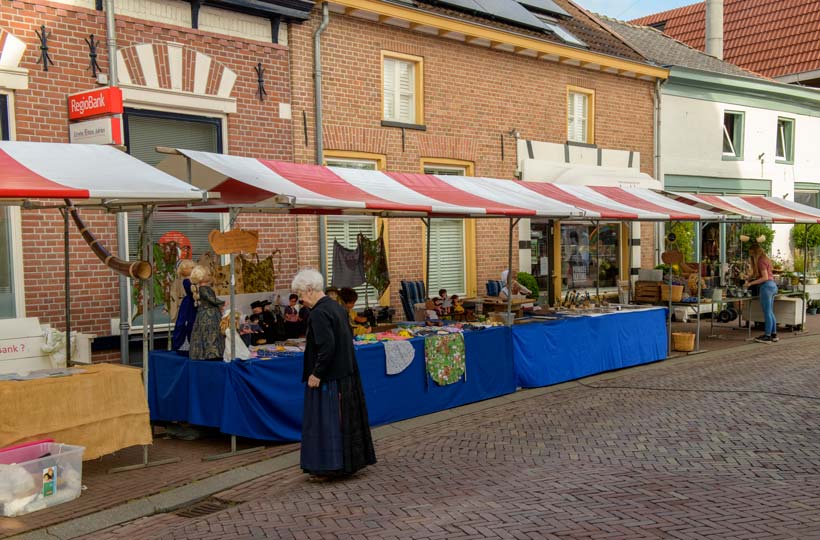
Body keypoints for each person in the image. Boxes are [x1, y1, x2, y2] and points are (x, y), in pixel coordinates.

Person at [291, 269, 376, 477]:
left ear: (310, 290)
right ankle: (347, 463)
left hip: (329, 378)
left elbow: (327, 347)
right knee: (343, 422)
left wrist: (316, 373)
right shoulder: (336, 308)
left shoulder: (319, 313)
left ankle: (329, 466)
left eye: (301, 294)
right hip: (345, 374)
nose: (301, 299)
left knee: (327, 422)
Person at [189, 265, 226, 360]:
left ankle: (211, 353)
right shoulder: (203, 289)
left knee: (208, 333)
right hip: (208, 315)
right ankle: (211, 353)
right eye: (208, 274)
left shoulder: (202, 288)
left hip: (208, 313)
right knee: (210, 334)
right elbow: (211, 299)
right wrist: (222, 302)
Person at [745, 243, 779, 343]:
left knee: (767, 312)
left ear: (756, 253)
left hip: (766, 287)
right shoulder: (766, 259)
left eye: (752, 254)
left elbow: (765, 278)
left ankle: (767, 335)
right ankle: (773, 334)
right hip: (772, 286)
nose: (751, 256)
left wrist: (750, 283)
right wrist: (750, 277)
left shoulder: (760, 261)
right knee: (770, 312)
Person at [171, 259, 196, 355]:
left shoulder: (189, 281)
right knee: (188, 324)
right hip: (189, 306)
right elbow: (192, 293)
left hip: (189, 304)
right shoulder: (188, 281)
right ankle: (185, 346)